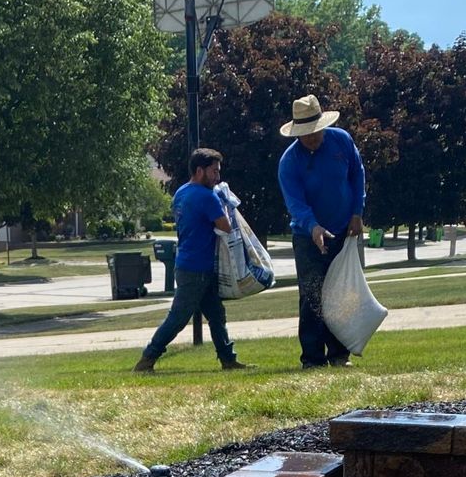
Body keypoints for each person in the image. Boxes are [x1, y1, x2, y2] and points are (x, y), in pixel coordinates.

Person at [134, 147, 249, 373]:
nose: (217, 177)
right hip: (197, 269)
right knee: (178, 318)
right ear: (199, 171)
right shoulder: (207, 197)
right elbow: (226, 227)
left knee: (216, 315)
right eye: (214, 171)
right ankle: (148, 358)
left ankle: (228, 360)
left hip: (188, 264)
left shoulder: (181, 193)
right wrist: (225, 202)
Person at [277, 94, 366, 369]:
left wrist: (357, 212)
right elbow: (296, 204)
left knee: (341, 295)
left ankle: (339, 354)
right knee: (312, 296)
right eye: (306, 134)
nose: (312, 138)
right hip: (307, 238)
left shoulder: (342, 141)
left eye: (315, 131)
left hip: (343, 231)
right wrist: (313, 227)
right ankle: (312, 358)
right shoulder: (289, 162)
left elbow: (357, 174)